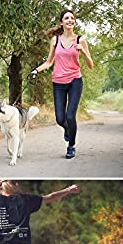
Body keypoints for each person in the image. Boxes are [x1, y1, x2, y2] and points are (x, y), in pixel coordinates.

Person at [30, 9, 94, 160]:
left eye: (72, 18)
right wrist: (35, 70)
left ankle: (71, 145)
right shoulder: (55, 40)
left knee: (70, 116)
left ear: (74, 22)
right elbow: (49, 62)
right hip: (58, 82)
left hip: (75, 81)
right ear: (61, 22)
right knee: (60, 118)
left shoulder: (80, 40)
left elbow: (91, 65)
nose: (70, 20)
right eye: (67, 18)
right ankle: (68, 130)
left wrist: (83, 52)